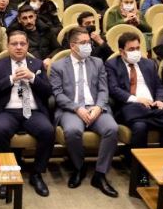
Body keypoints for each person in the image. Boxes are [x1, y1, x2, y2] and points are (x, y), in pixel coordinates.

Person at [51, 27, 119, 197]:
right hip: (71, 109)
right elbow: (58, 94)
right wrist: (76, 108)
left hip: (95, 107)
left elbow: (103, 89)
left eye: (89, 42)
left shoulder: (98, 62)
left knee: (112, 128)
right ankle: (79, 168)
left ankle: (100, 174)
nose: (88, 46)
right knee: (72, 130)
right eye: (83, 43)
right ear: (72, 46)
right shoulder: (58, 66)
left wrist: (99, 106)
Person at [106, 32, 163, 185]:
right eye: (131, 49)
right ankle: (140, 172)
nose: (136, 52)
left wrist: (160, 100)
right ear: (121, 51)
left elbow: (159, 86)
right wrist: (136, 99)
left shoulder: (148, 64)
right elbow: (114, 89)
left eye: (137, 48)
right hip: (130, 105)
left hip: (152, 106)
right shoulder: (112, 65)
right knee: (141, 127)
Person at [0, 31, 54, 197]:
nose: (18, 47)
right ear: (8, 46)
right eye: (14, 44)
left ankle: (36, 173)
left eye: (22, 44)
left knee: (48, 130)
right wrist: (11, 79)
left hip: (32, 110)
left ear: (27, 46)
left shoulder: (37, 64)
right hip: (8, 110)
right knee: (0, 130)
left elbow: (48, 92)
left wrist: (33, 78)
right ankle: (5, 176)